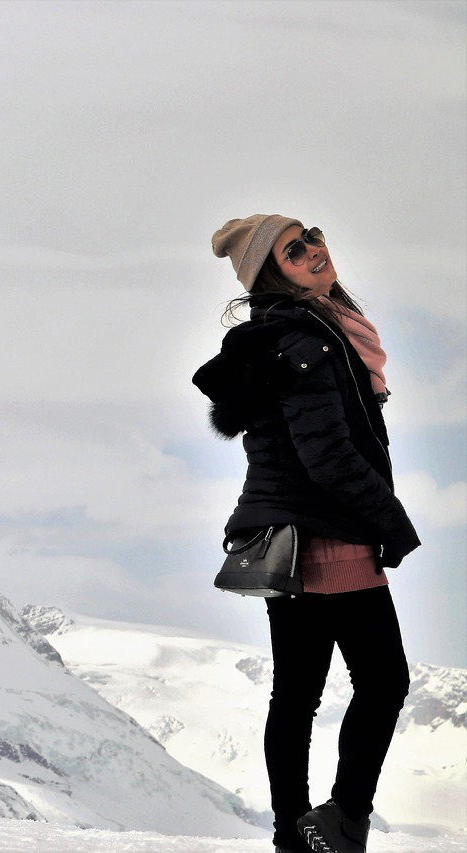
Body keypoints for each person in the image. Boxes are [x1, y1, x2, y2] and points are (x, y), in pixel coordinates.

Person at [192, 214, 419, 853]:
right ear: (272, 272)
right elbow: (330, 455)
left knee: (297, 693)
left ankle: (296, 835)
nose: (314, 250)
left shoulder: (310, 331)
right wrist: (392, 521)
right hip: (325, 534)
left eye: (312, 235)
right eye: (295, 250)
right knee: (382, 681)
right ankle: (341, 823)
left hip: (297, 532)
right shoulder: (306, 339)